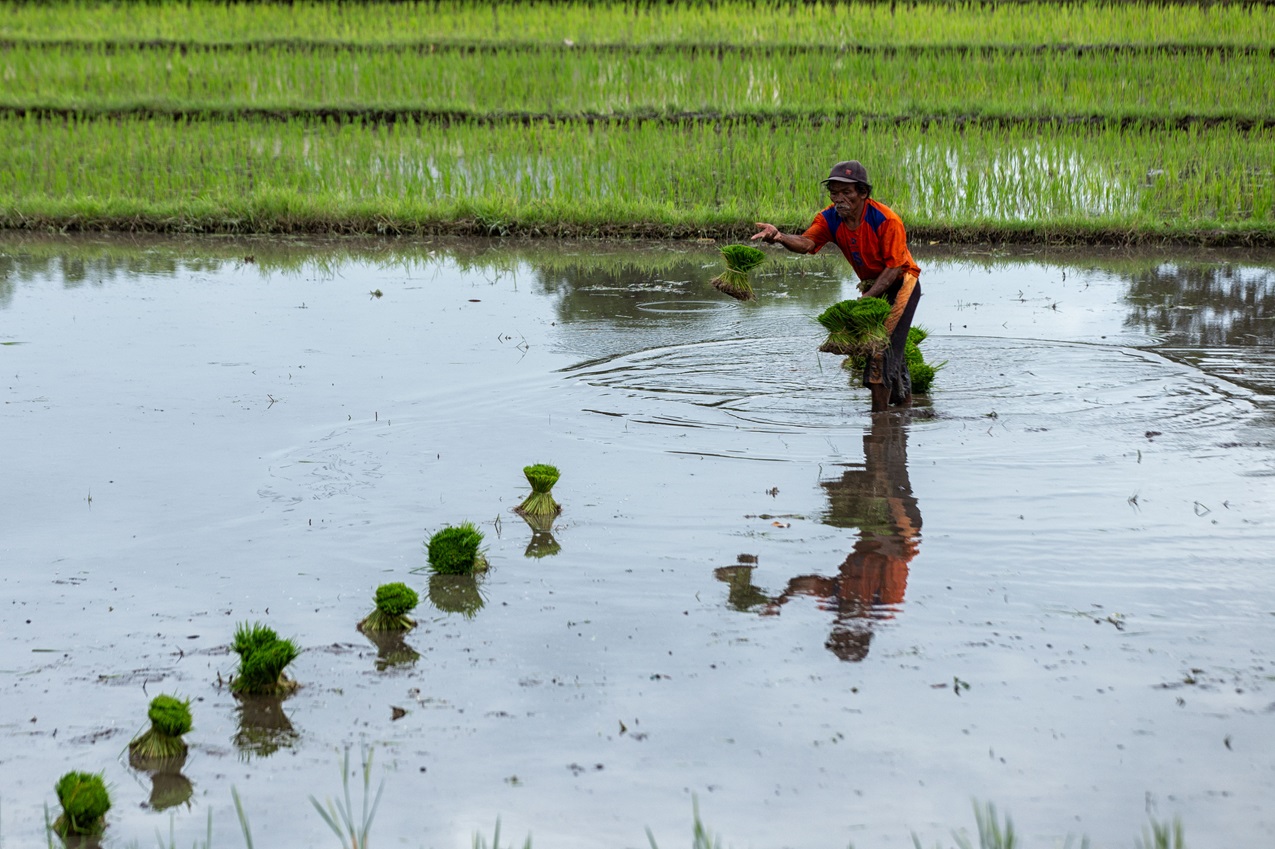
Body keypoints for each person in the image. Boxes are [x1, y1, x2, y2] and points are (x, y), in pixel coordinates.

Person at [753, 160, 922, 411]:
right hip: (872, 287)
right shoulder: (829, 218)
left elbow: (895, 267)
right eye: (834, 192)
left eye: (846, 192)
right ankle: (904, 407)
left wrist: (868, 298)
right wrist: (779, 237)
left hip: (901, 285)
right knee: (887, 348)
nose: (838, 198)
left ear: (863, 193)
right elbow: (807, 243)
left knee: (878, 350)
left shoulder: (886, 220)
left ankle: (879, 419)